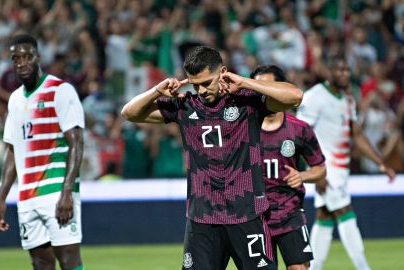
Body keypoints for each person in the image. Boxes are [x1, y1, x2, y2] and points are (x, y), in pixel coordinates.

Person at [121, 46, 303, 270]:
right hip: (202, 219)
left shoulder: (247, 102)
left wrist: (245, 82)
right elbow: (129, 113)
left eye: (207, 82)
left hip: (246, 215)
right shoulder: (184, 105)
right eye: (195, 84)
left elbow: (295, 96)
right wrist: (157, 90)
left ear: (223, 72)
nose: (201, 90)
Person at [0, 34, 85, 270]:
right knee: (40, 264)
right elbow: (12, 151)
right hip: (27, 197)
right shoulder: (13, 100)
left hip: (56, 193)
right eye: (16, 58)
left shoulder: (60, 91)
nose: (21, 62)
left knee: (68, 260)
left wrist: (67, 192)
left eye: (26, 56)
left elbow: (76, 143)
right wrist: (1, 198)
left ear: (38, 57)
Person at [296, 56, 396, 270]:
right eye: (338, 69)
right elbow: (300, 135)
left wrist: (381, 163)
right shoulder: (315, 97)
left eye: (346, 70)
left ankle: (313, 268)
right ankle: (363, 267)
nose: (344, 74)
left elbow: (357, 135)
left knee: (325, 217)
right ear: (328, 71)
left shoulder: (347, 100)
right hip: (325, 167)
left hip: (341, 169)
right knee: (344, 210)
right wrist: (314, 170)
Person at [252, 65, 326, 270]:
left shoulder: (299, 129)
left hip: (289, 214)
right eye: (259, 87)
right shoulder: (244, 129)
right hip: (255, 217)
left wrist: (302, 176)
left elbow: (320, 168)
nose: (265, 93)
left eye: (270, 87)